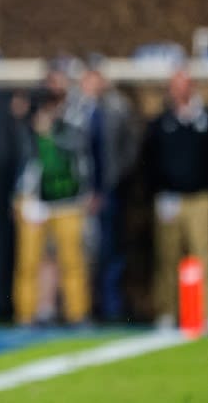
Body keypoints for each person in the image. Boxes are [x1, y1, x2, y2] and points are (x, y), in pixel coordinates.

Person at [11, 65, 92, 327]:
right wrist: (21, 194)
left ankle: (78, 314)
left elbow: (79, 145)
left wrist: (52, 131)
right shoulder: (30, 118)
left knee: (72, 262)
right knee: (29, 263)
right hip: (35, 199)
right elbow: (23, 157)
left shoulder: (75, 115)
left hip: (68, 198)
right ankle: (25, 315)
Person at [143, 68, 208, 329]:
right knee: (167, 257)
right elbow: (149, 161)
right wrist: (158, 194)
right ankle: (167, 311)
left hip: (200, 197)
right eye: (173, 85)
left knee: (202, 256)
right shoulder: (161, 122)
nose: (178, 90)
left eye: (182, 85)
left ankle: (202, 313)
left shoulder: (203, 119)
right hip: (169, 198)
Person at [78, 62, 140, 322]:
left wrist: (110, 185)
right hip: (80, 193)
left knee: (111, 250)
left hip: (110, 192)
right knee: (84, 252)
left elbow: (129, 149)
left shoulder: (117, 109)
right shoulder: (77, 110)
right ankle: (86, 307)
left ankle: (111, 306)